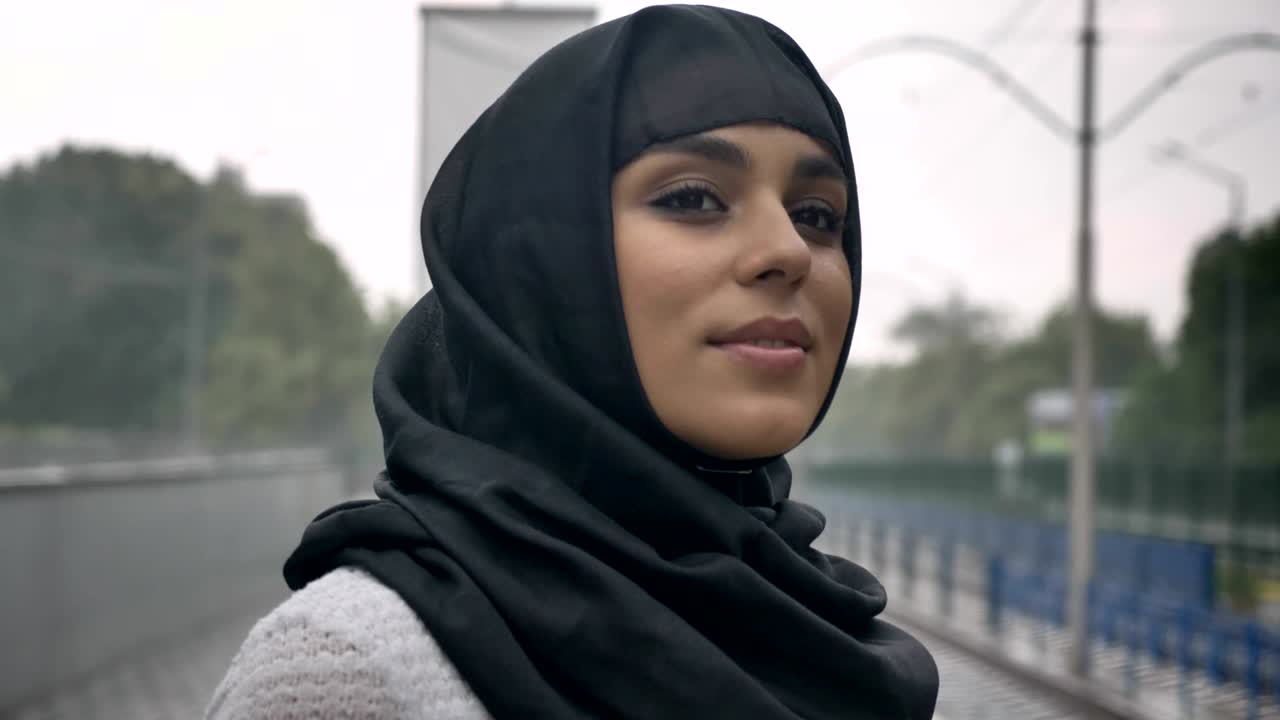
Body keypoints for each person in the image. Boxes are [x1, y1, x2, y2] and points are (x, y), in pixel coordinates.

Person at [207, 5, 939, 719]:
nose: (787, 251)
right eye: (694, 198)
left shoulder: (823, 634)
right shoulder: (345, 673)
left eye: (817, 216)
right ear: (543, 264)